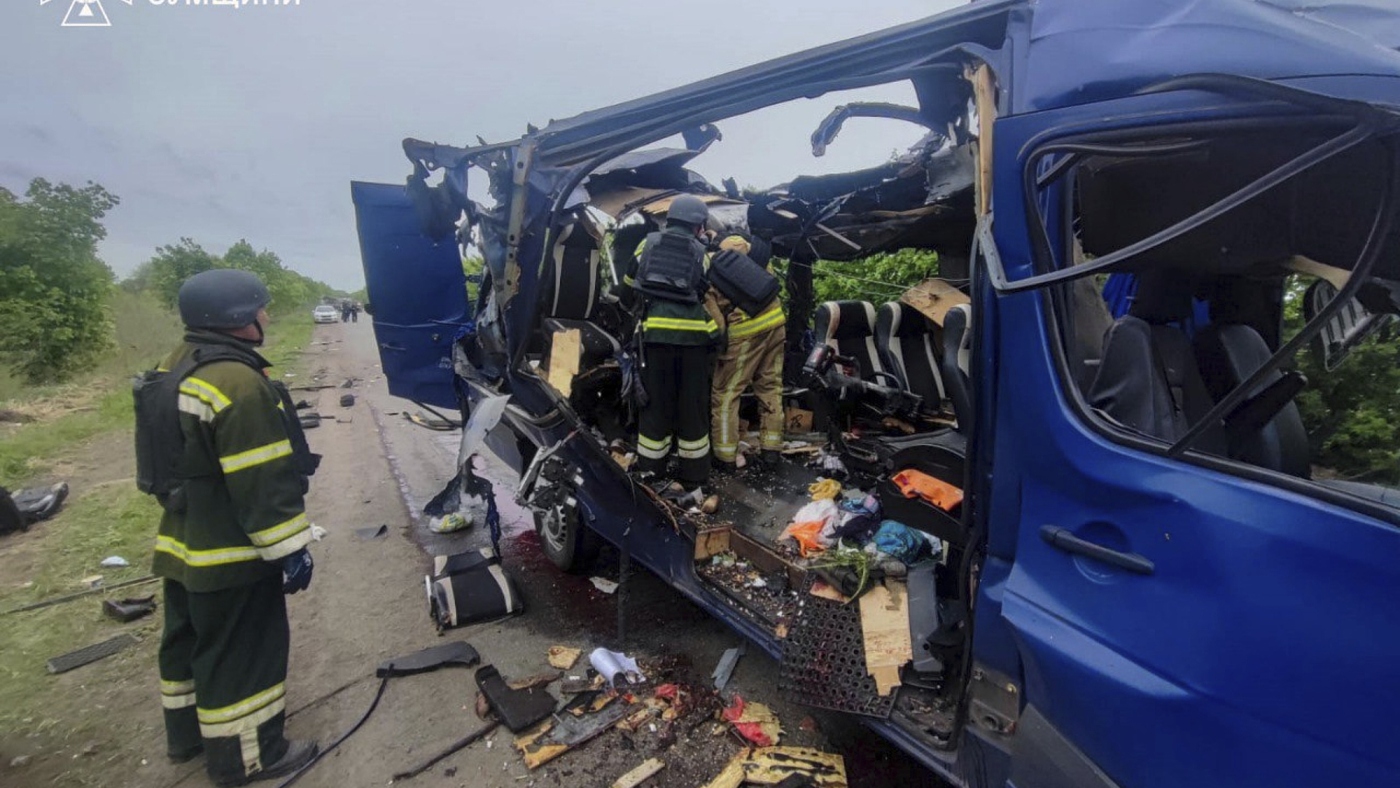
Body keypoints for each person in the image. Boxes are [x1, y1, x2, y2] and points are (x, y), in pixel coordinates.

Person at [146, 269, 319, 787]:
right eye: (259, 308)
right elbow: (261, 477)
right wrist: (290, 547)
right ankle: (251, 756)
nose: (266, 315)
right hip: (230, 549)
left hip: (183, 539)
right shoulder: (237, 383)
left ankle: (188, 738)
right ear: (236, 318)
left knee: (188, 640)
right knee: (242, 649)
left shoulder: (176, 363)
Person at [622, 195, 720, 488]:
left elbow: (627, 288)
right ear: (698, 225)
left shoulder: (646, 245)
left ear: (671, 219)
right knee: (692, 407)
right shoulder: (702, 253)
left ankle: (652, 471)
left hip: (655, 340)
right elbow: (703, 290)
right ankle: (695, 475)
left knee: (655, 406)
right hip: (694, 342)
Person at [708, 232, 786, 471]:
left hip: (745, 331)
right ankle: (771, 451)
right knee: (770, 386)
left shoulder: (709, 269)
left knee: (726, 394)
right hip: (776, 322)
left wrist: (719, 349)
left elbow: (717, 324)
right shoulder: (754, 257)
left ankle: (725, 457)